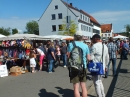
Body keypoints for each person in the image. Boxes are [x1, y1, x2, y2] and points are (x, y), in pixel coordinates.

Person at [67, 31, 90, 97]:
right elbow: (88, 58)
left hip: (74, 67)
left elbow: (68, 56)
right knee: (83, 86)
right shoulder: (85, 45)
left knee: (76, 87)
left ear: (75, 36)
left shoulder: (71, 44)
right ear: (82, 37)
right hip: (83, 67)